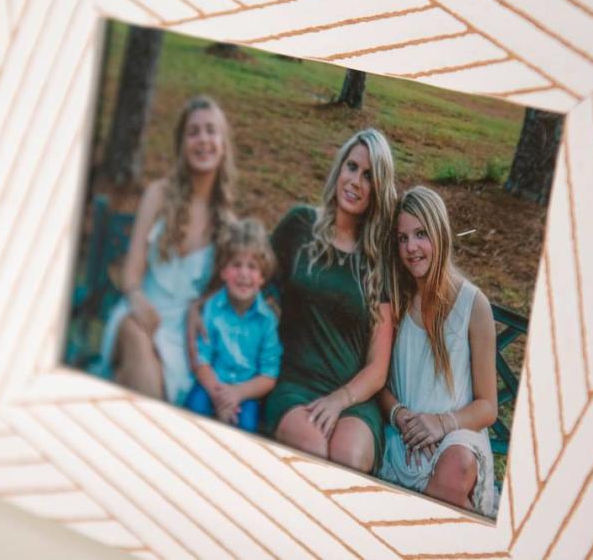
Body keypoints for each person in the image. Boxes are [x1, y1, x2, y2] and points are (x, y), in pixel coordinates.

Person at [262, 128, 398, 473]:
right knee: (313, 452)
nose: (355, 181)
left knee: (346, 460)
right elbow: (251, 278)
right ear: (339, 168)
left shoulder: (379, 259)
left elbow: (378, 367)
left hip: (353, 397)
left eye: (368, 176)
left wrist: (340, 400)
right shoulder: (300, 225)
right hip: (294, 383)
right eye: (351, 167)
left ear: (378, 189)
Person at [94, 95, 236, 405]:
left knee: (137, 385)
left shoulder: (225, 221)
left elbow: (218, 294)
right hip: (141, 311)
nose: (203, 140)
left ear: (223, 144)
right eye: (193, 132)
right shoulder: (158, 195)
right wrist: (135, 297)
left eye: (211, 131)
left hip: (181, 337)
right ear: (182, 145)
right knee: (140, 359)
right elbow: (132, 271)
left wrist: (199, 307)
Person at [378, 186, 498, 517]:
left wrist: (441, 423)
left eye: (420, 234)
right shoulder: (398, 300)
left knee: (457, 466)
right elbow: (380, 384)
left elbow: (488, 407)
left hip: (456, 432)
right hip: (404, 432)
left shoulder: (473, 305)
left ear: (440, 234)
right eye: (402, 238)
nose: (411, 248)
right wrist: (403, 417)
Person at [185, 218, 282, 433]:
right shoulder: (212, 308)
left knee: (245, 426)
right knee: (193, 410)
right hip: (211, 384)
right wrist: (219, 397)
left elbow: (269, 376)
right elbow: (201, 360)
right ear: (223, 272)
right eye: (236, 265)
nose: (244, 274)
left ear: (262, 277)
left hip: (246, 392)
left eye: (252, 267)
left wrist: (237, 393)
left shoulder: (267, 321)